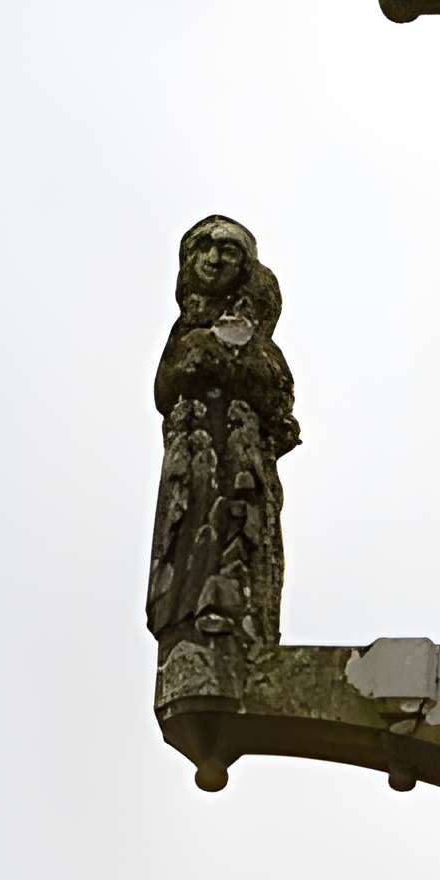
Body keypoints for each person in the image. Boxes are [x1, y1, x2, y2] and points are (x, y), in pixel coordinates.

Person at [147, 215, 299, 650]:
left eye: (227, 250)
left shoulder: (259, 341)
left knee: (235, 531)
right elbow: (167, 385)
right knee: (187, 542)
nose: (213, 259)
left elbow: (278, 403)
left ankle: (232, 617)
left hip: (237, 462)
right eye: (203, 249)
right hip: (189, 462)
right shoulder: (183, 336)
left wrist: (225, 357)